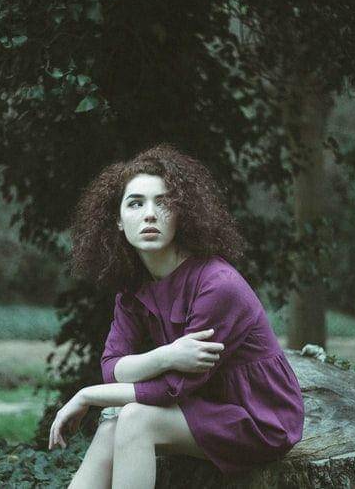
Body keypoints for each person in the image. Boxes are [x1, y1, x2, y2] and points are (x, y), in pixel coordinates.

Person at [49, 143, 305, 488]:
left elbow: (172, 388)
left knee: (135, 418)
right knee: (113, 423)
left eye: (163, 202)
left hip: (260, 418)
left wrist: (86, 395)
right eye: (136, 203)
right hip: (204, 404)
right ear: (119, 222)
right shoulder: (134, 289)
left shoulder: (218, 285)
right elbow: (112, 367)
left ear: (182, 214)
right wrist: (167, 355)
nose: (149, 214)